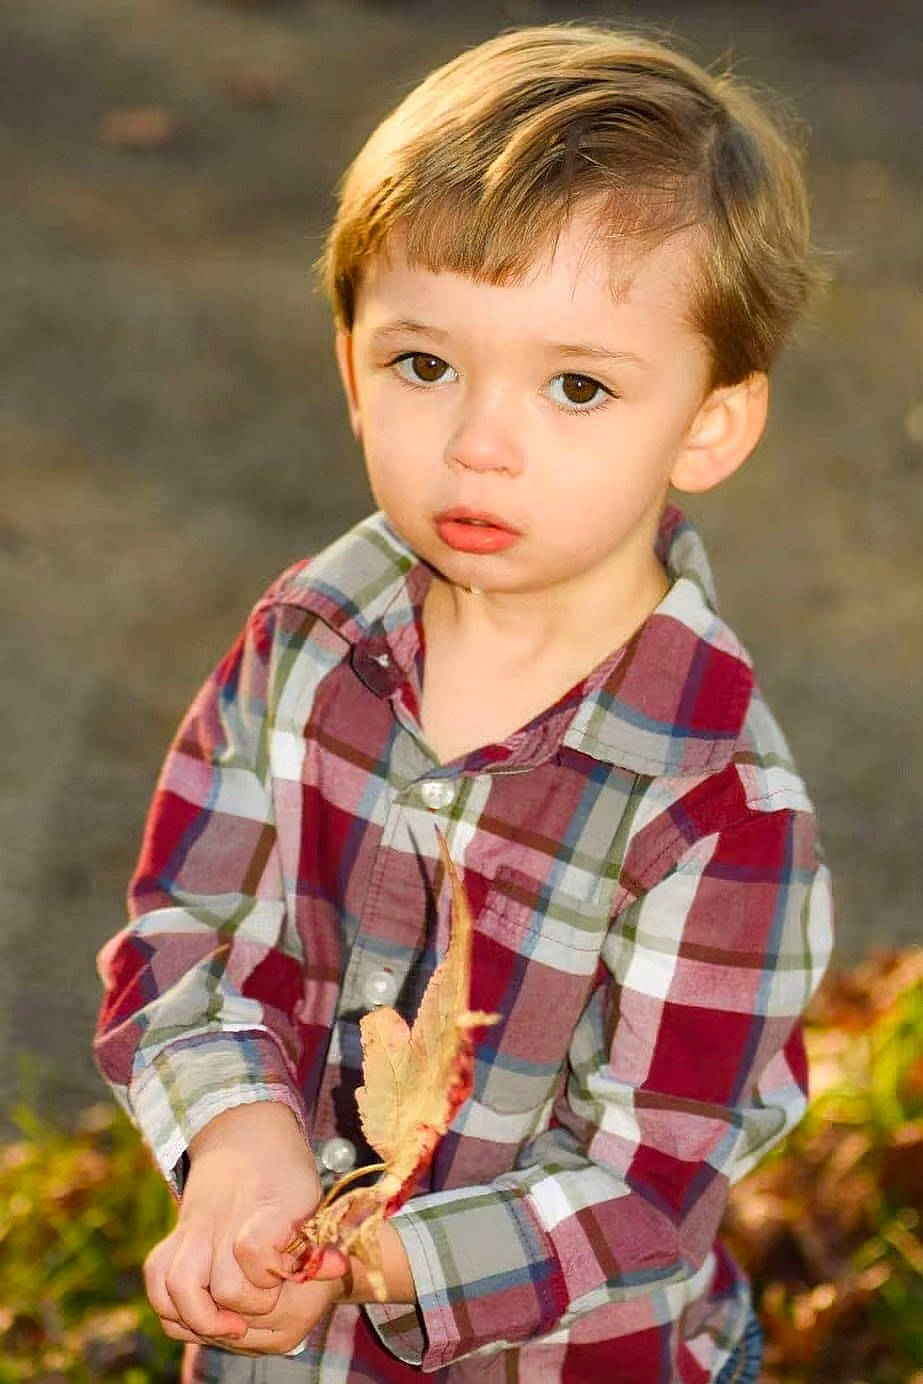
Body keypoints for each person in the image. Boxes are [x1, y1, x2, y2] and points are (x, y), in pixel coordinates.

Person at [94, 23, 834, 1383]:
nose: (480, 441)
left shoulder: (719, 811)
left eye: (575, 386)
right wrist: (240, 1144)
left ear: (710, 425)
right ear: (350, 364)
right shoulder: (307, 642)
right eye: (424, 364)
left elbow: (653, 1181)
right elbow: (185, 922)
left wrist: (368, 1258)